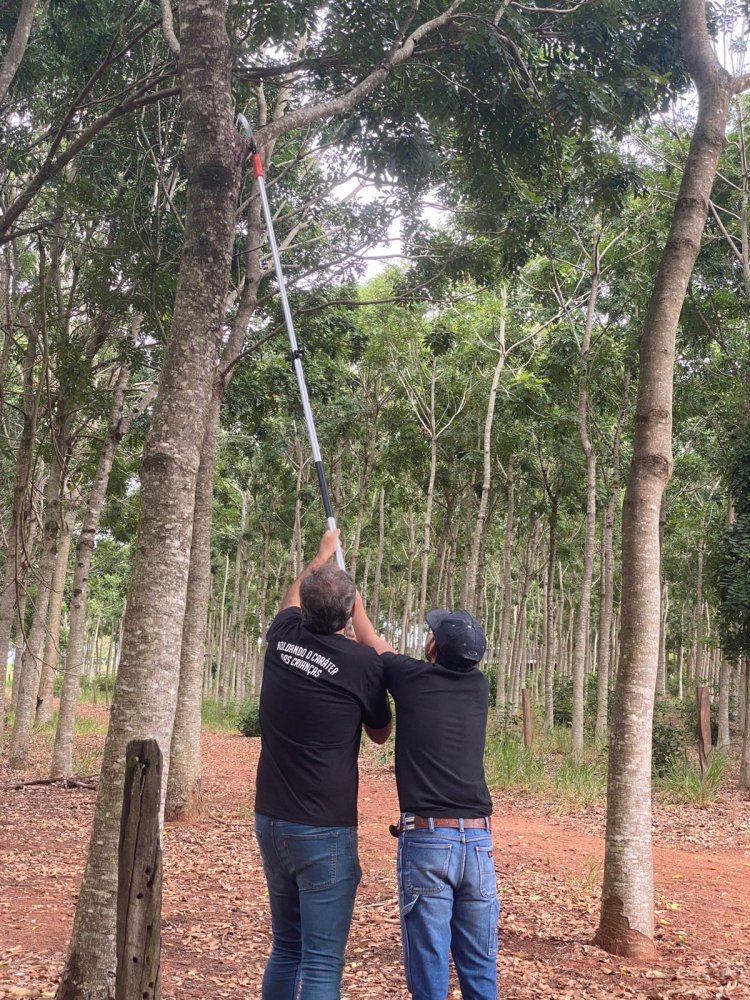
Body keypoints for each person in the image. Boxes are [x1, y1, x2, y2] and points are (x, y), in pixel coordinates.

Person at [254, 529, 392, 1000]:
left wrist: (320, 555)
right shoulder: (362, 664)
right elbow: (380, 734)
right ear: (348, 611)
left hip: (270, 819)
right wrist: (363, 627)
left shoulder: (282, 637)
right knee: (321, 963)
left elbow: (290, 597)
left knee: (286, 948)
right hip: (324, 828)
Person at [352, 599, 498, 1000]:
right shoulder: (479, 687)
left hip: (430, 840)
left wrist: (356, 603)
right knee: (480, 963)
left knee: (429, 960)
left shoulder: (410, 677)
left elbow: (368, 638)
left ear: (433, 648)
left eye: (431, 635)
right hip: (479, 842)